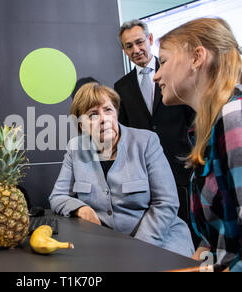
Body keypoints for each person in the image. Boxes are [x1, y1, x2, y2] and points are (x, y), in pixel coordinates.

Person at [153, 17, 242, 272]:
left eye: (163, 62)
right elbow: (217, 247)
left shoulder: (239, 118)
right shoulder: (212, 127)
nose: (156, 75)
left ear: (197, 57)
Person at [49, 82, 195, 257]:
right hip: (108, 248)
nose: (103, 119)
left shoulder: (146, 141)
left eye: (108, 110)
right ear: (81, 125)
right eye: (93, 115)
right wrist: (81, 209)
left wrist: (138, 247)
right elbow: (58, 196)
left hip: (161, 242)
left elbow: (166, 202)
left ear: (116, 113)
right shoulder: (75, 149)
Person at [114, 20, 195, 224]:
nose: (136, 49)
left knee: (188, 228)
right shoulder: (121, 86)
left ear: (150, 39)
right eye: (129, 46)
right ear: (124, 50)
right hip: (145, 173)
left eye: (139, 42)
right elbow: (124, 132)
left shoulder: (175, 71)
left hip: (181, 167)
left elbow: (194, 120)